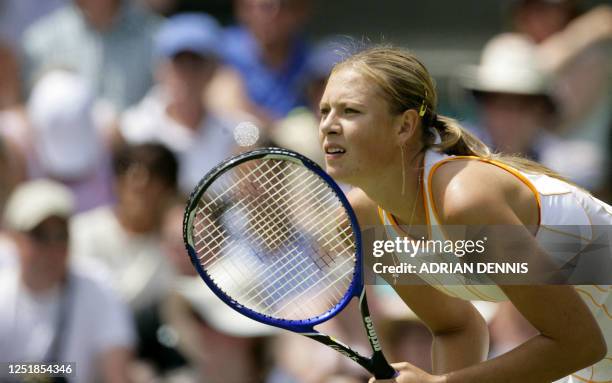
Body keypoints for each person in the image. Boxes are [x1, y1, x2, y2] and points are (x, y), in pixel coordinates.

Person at [317, 46, 610, 383]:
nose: (328, 126)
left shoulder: (466, 202)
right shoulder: (364, 219)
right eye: (324, 110)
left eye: (350, 111)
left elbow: (579, 343)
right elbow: (454, 328)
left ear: (405, 126)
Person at [0, 179, 135, 382]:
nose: (53, 247)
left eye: (61, 235)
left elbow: (117, 373)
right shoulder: (3, 295)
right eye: (40, 235)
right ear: (14, 238)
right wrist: (24, 372)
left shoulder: (97, 284)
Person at [119, 13, 240, 194]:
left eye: (196, 63)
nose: (187, 74)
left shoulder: (236, 133)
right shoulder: (132, 130)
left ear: (214, 70)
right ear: (160, 68)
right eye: (178, 62)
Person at [22, 0, 160, 111]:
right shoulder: (39, 42)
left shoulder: (157, 37)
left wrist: (128, 129)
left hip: (135, 144)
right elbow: (25, 108)